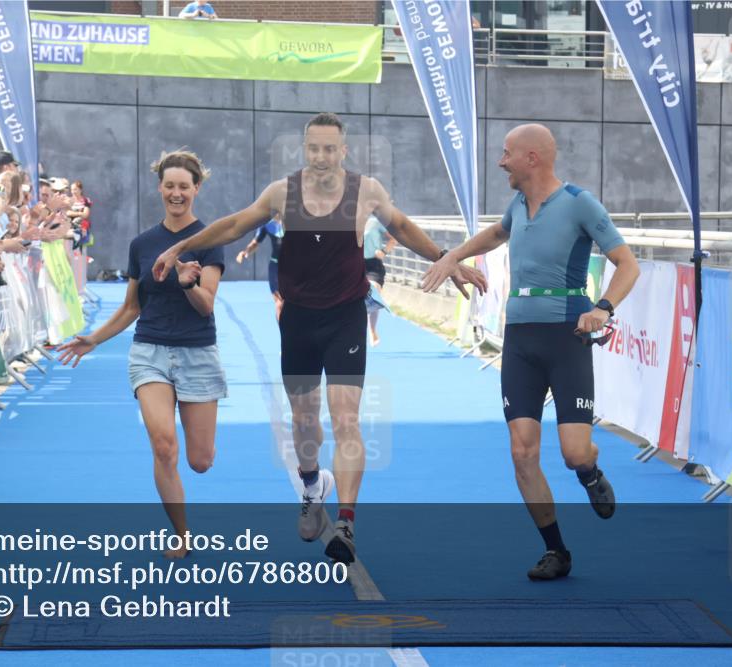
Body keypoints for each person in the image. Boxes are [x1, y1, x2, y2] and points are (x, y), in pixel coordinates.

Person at [153, 113, 487, 564]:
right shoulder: (283, 192)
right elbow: (235, 224)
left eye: (330, 149)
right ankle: (313, 486)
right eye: (314, 148)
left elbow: (402, 227)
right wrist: (179, 247)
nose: (322, 157)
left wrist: (447, 259)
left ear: (343, 151)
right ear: (304, 150)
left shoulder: (365, 190)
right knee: (305, 421)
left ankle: (346, 523)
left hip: (346, 316)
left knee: (346, 419)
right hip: (299, 321)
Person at [422, 123, 640, 580]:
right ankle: (556, 550)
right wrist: (452, 256)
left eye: (507, 154)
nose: (501, 162)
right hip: (520, 341)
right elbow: (496, 235)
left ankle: (591, 474)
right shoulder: (517, 204)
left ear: (532, 158)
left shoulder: (580, 202)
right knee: (522, 452)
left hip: (567, 336)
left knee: (574, 452)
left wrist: (603, 307)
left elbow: (628, 264)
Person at [58, 150, 226, 560]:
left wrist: (188, 282)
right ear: (160, 188)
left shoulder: (209, 242)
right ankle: (182, 536)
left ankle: (194, 475)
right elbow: (132, 307)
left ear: (196, 189)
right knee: (163, 445)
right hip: (150, 351)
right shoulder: (143, 244)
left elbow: (207, 305)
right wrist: (93, 339)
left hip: (197, 353)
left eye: (184, 186)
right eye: (169, 185)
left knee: (200, 461)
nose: (176, 193)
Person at [235, 214, 284, 320]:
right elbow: (255, 242)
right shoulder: (268, 224)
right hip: (275, 266)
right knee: (279, 303)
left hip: (292, 268)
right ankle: (284, 333)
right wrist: (245, 252)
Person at [362, 213, 395, 346]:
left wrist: (384, 251)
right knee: (356, 300)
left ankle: (372, 329)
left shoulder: (376, 222)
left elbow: (393, 239)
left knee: (373, 291)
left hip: (373, 265)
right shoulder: (348, 223)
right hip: (355, 264)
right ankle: (357, 330)